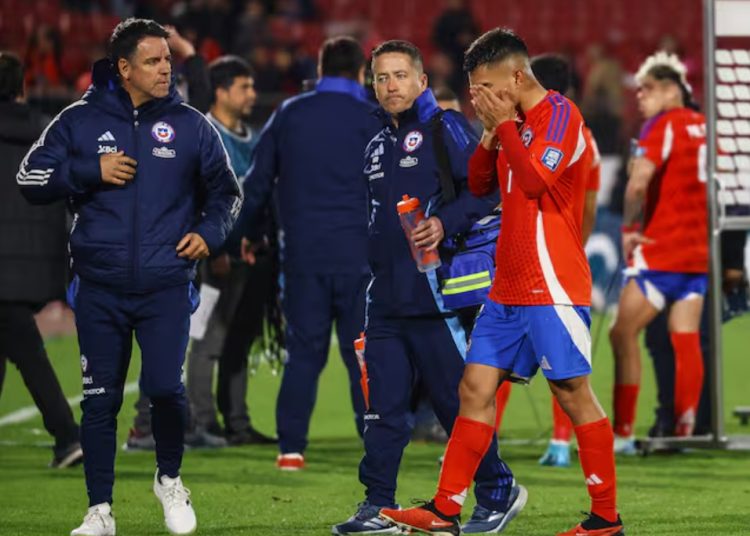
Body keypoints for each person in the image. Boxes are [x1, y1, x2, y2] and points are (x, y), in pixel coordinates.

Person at [381, 29, 623, 536]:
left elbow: (535, 181)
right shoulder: (510, 122)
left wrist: (504, 129)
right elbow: (483, 181)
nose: (481, 99)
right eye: (475, 90)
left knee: (573, 391)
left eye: (487, 87)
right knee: (474, 388)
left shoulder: (561, 116)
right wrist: (493, 133)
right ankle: (445, 510)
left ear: (517, 77)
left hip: (551, 283)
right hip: (507, 284)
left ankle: (604, 518)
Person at [17, 18, 241, 536]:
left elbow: (227, 194)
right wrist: (90, 171)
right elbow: (30, 177)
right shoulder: (77, 120)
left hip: (166, 284)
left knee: (165, 389)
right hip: (100, 288)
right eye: (154, 61)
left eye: (168, 59)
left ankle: (169, 478)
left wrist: (210, 234)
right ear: (124, 68)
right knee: (100, 402)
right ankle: (100, 511)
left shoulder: (190, 125)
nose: (167, 69)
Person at [333, 39, 524, 536]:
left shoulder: (447, 129)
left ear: (421, 81)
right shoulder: (374, 146)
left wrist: (441, 223)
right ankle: (377, 505)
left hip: (439, 298)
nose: (390, 85)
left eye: (400, 75)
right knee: (382, 409)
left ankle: (498, 491)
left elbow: (485, 194)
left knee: (454, 405)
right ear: (371, 84)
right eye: (381, 77)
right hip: (385, 300)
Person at [239, 36, 379, 470]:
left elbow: (257, 183)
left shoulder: (289, 114)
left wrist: (242, 234)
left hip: (304, 258)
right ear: (362, 72)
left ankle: (291, 448)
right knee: (364, 353)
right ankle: (376, 442)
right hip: (362, 258)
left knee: (304, 353)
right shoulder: (374, 117)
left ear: (320, 68)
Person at [491, 53, 603, 469]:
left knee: (555, 374)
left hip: (548, 261)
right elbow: (589, 206)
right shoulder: (585, 140)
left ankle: (501, 442)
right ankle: (555, 442)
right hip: (550, 254)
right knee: (540, 369)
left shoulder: (548, 131)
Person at [609, 51, 707, 453]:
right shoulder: (705, 126)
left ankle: (623, 433)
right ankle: (683, 429)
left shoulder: (661, 125)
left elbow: (637, 183)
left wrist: (630, 229)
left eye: (647, 89)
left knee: (621, 333)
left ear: (670, 90)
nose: (640, 97)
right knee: (685, 340)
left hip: (662, 248)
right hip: (698, 253)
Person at [187, 54, 277, 446]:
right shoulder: (202, 133)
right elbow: (196, 200)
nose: (252, 94)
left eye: (254, 86)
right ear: (221, 91)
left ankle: (237, 423)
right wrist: (214, 248)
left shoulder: (253, 137)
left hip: (249, 256)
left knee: (239, 340)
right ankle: (201, 422)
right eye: (244, 86)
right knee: (207, 339)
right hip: (211, 259)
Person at [0, 51, 82, 470]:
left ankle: (67, 435)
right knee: (20, 344)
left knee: (27, 351)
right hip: (31, 266)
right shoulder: (45, 136)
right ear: (22, 88)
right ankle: (67, 437)